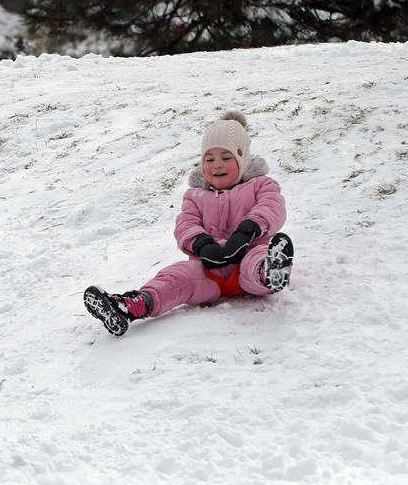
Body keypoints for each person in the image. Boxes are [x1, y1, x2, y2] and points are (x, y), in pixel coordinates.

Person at [84, 111, 293, 336]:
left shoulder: (261, 185)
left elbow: (272, 206)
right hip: (208, 270)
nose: (217, 166)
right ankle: (131, 306)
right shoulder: (195, 195)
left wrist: (247, 231)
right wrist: (202, 244)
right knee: (174, 277)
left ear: (242, 159)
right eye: (209, 159)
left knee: (256, 260)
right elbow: (186, 223)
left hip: (248, 258)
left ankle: (270, 272)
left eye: (226, 157)